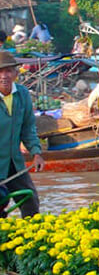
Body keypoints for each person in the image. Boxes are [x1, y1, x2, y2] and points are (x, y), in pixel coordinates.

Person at [0, 51, 44, 217]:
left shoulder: (22, 94)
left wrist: (36, 152)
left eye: (8, 71)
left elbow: (28, 128)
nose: (4, 76)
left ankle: (32, 235)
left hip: (14, 162)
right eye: (0, 72)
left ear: (16, 74)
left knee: (30, 199)